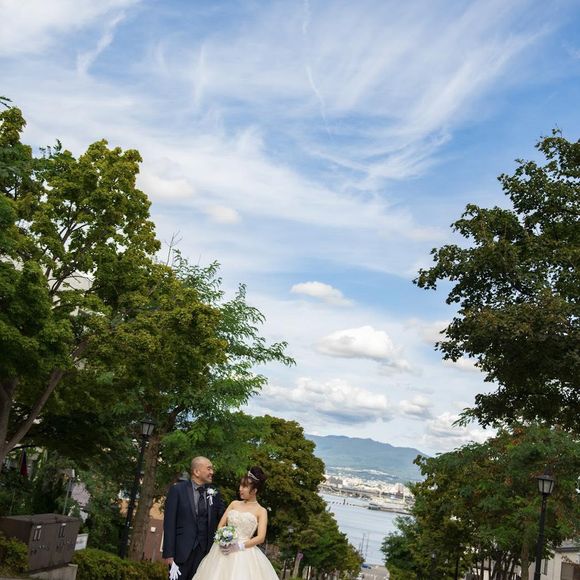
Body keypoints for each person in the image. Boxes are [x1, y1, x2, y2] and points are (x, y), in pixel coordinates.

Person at [192, 466, 278, 580]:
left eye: (245, 486)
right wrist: (223, 539)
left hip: (245, 552)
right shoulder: (234, 504)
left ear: (254, 490)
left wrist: (239, 546)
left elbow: (261, 537)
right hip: (222, 550)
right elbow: (221, 525)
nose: (240, 489)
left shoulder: (261, 511)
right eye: (240, 485)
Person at [163, 456, 226, 580]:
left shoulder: (214, 493)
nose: (212, 472)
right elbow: (169, 523)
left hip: (204, 554)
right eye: (209, 468)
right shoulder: (177, 490)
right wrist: (168, 554)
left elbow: (223, 516)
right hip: (180, 553)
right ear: (197, 472)